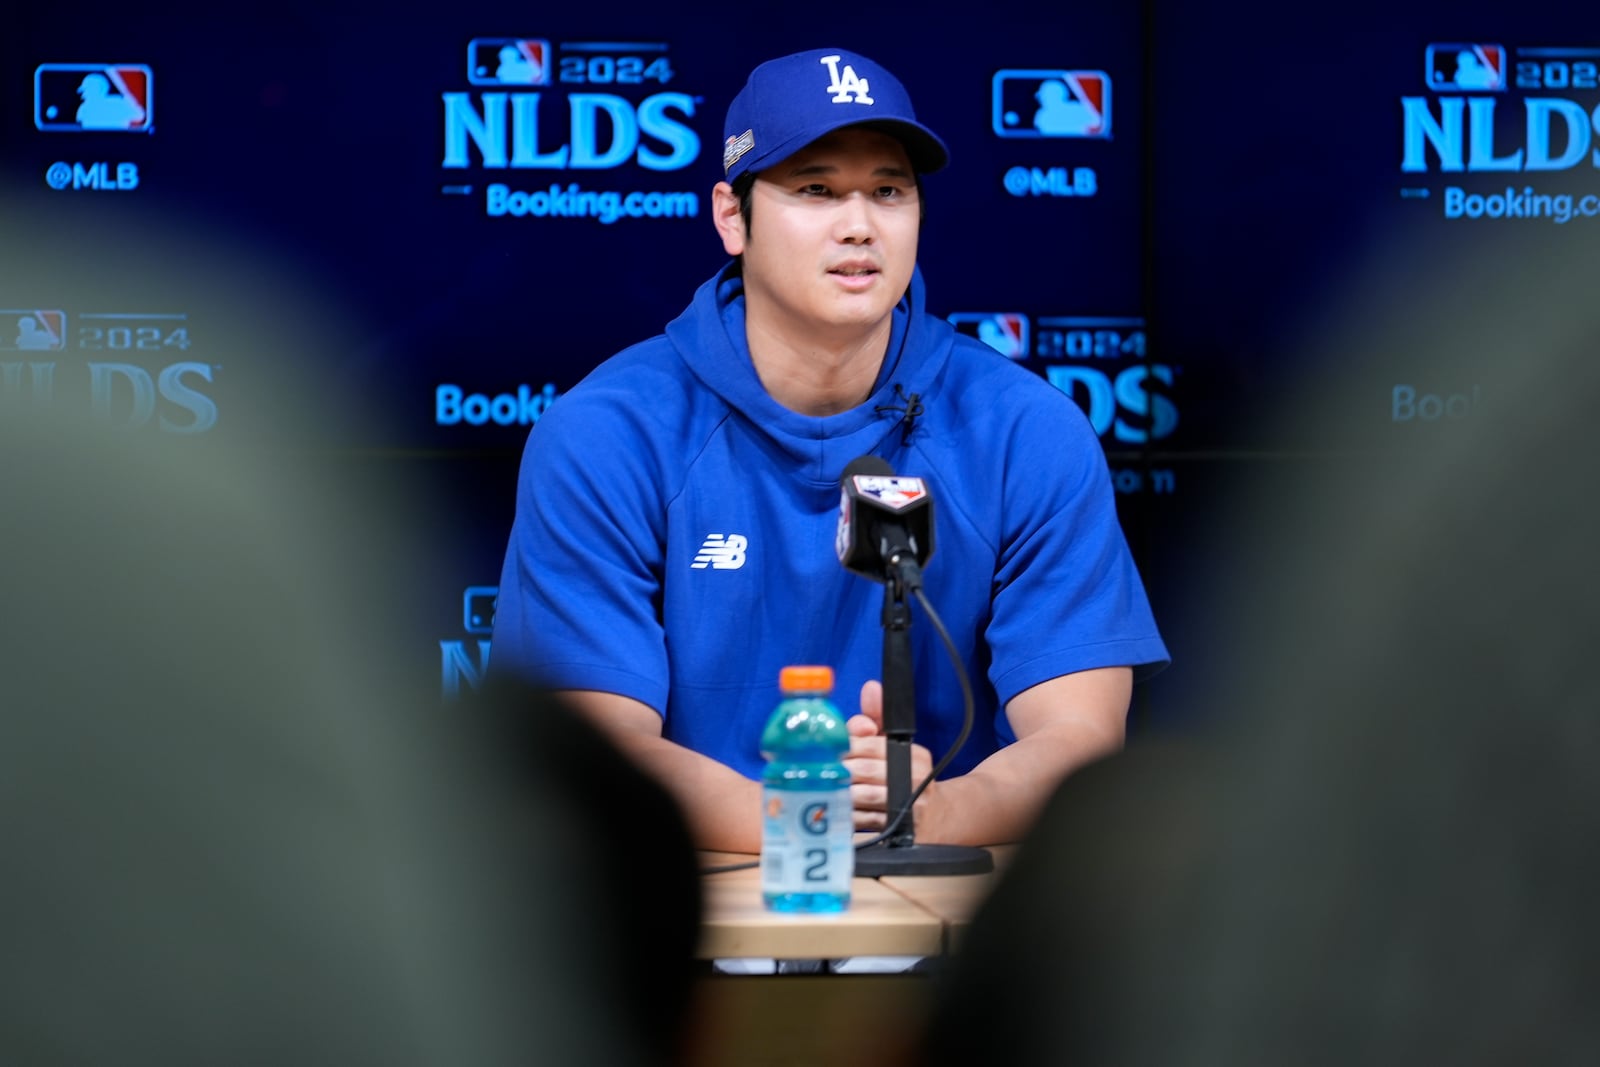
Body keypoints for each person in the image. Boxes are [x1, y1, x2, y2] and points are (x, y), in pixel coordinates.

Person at [491, 46, 1168, 854]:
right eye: (815, 189)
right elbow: (598, 761)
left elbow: (1080, 742)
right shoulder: (607, 433)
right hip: (690, 920)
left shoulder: (1025, 432)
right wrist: (812, 821)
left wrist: (938, 811)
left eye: (889, 190)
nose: (859, 225)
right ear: (731, 216)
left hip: (940, 930)